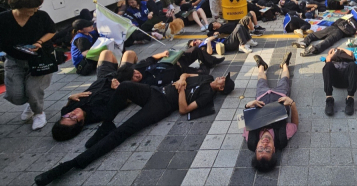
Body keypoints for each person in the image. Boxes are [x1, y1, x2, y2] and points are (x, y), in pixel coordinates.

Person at [35, 72, 235, 186]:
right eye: (222, 77)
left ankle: (70, 165)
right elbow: (186, 74)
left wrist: (181, 91)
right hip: (155, 92)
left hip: (163, 105)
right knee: (124, 87)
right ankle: (106, 123)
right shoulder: (207, 77)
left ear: (221, 88)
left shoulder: (208, 94)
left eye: (222, 80)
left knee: (125, 130)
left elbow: (184, 110)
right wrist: (182, 78)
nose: (219, 78)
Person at [51, 50, 145, 141]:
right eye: (73, 118)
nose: (72, 113)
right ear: (81, 123)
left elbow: (68, 105)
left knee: (105, 53)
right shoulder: (98, 114)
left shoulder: (67, 110)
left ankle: (124, 67)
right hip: (120, 81)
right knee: (129, 54)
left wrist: (71, 97)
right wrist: (120, 87)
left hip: (103, 78)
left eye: (66, 116)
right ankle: (133, 68)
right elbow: (124, 101)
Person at [0, 0, 57, 130]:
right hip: (15, 59)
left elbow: (51, 31)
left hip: (40, 58)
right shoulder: (3, 19)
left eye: (36, 8)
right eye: (31, 9)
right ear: (18, 7)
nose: (34, 11)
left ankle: (39, 113)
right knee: (15, 95)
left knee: (33, 90)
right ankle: (32, 104)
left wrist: (39, 42)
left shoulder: (41, 16)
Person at [243, 53, 298, 173]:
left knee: (261, 80)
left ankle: (261, 66)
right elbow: (294, 125)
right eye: (267, 150)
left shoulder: (251, 139)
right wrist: (292, 104)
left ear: (256, 148)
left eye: (260, 149)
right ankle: (284, 65)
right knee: (284, 80)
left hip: (261, 98)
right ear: (273, 150)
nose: (264, 144)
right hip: (280, 98)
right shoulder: (281, 138)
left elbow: (244, 120)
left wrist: (248, 106)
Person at [293, 17, 357, 56]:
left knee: (314, 35)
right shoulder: (355, 26)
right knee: (327, 42)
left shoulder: (344, 18)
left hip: (333, 27)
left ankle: (304, 42)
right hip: (339, 33)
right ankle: (315, 49)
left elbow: (335, 22)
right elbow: (351, 33)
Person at [323, 48, 357, 116]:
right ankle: (329, 98)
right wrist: (332, 52)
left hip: (347, 80)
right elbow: (328, 59)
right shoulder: (332, 59)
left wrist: (340, 48)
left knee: (353, 65)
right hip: (335, 79)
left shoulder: (349, 58)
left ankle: (350, 98)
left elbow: (351, 54)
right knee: (327, 66)